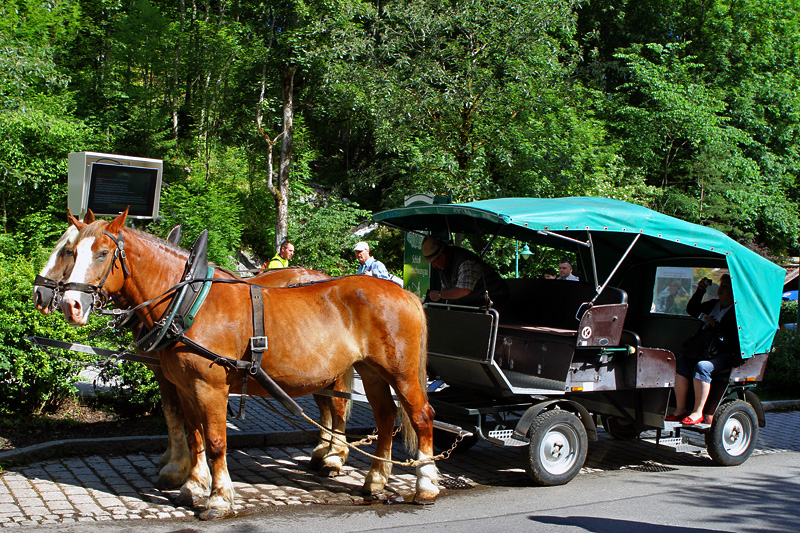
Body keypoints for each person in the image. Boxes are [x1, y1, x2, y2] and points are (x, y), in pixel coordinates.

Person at [666, 274, 740, 425]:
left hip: (726, 353)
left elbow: (733, 337)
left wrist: (716, 326)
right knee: (680, 363)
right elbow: (692, 309)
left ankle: (698, 412)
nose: (720, 290)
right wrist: (700, 290)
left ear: (733, 291)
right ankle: (680, 409)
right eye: (720, 286)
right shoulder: (714, 304)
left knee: (703, 366)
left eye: (725, 287)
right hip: (705, 349)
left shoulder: (737, 311)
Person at [422, 235, 509, 308]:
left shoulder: (466, 262)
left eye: (433, 261)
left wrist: (439, 295)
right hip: (472, 301)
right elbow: (446, 290)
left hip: (494, 299)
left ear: (441, 256)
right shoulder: (443, 267)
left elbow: (464, 290)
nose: (433, 265)